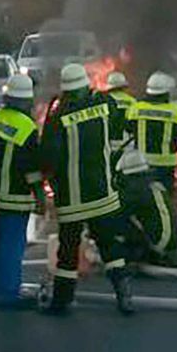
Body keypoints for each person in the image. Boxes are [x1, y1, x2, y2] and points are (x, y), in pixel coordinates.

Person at [39, 62, 134, 315]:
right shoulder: (105, 104)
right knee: (110, 246)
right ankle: (124, 295)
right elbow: (117, 128)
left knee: (68, 252)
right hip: (103, 194)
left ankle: (62, 301)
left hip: (73, 198)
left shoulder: (59, 117)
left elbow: (48, 156)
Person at [0, 73, 44, 307]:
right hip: (15, 198)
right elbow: (31, 169)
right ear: (26, 100)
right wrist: (40, 196)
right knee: (12, 247)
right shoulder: (27, 127)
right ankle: (8, 293)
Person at [125, 71, 177, 192]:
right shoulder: (175, 111)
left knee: (144, 194)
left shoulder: (136, 108)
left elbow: (128, 128)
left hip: (141, 162)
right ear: (166, 92)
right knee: (165, 195)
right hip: (166, 164)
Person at [116, 147, 177, 266]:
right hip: (169, 244)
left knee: (115, 219)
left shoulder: (135, 189)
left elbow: (117, 211)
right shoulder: (151, 184)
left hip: (157, 248)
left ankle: (134, 255)